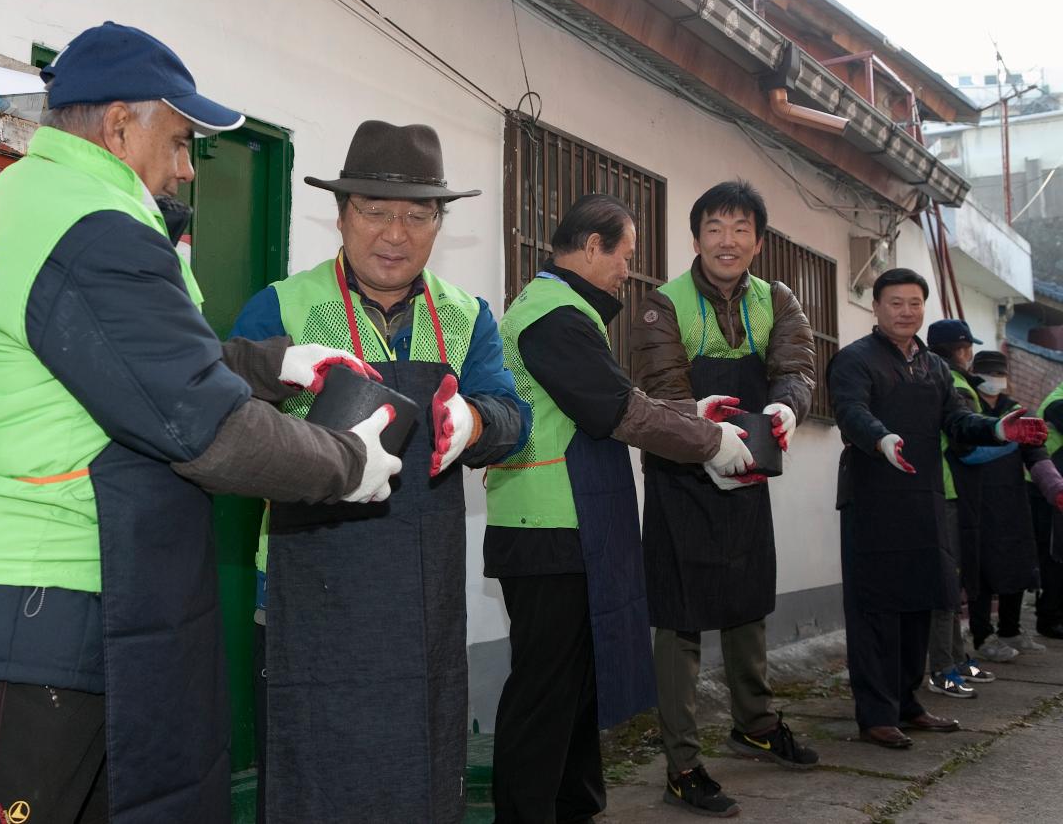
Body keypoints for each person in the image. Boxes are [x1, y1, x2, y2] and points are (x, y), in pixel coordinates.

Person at [0, 23, 403, 824]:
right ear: (120, 124)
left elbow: (145, 363)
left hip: (15, 600)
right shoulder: (95, 230)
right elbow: (207, 428)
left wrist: (272, 365)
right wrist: (348, 463)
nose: (188, 165)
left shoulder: (38, 195)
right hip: (23, 604)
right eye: (182, 138)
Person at [230, 119, 530, 824]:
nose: (394, 232)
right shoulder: (282, 306)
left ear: (438, 224)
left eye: (417, 214)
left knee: (418, 776)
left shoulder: (467, 318)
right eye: (373, 209)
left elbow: (515, 419)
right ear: (340, 215)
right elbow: (225, 418)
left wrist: (476, 424)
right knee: (311, 774)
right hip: (304, 592)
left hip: (419, 599)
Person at [484, 193, 757, 823]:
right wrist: (711, 443)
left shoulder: (568, 313)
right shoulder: (552, 316)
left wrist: (692, 413)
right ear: (591, 247)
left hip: (568, 524)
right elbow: (618, 411)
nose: (627, 272)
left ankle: (573, 806)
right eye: (624, 256)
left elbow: (620, 395)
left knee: (575, 686)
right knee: (545, 692)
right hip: (547, 525)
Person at [632, 180, 819, 817]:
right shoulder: (663, 303)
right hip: (681, 471)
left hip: (750, 469)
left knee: (747, 600)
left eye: (741, 229)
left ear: (758, 242)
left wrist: (788, 409)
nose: (728, 241)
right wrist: (705, 442)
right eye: (715, 227)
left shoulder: (778, 300)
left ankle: (756, 722)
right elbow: (659, 388)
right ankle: (682, 764)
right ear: (695, 238)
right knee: (678, 614)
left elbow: (796, 367)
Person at [827, 268, 1048, 750]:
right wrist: (881, 438)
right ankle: (876, 713)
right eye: (895, 303)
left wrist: (998, 431)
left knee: (918, 604)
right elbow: (850, 411)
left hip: (924, 500)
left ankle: (908, 703)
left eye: (914, 303)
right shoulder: (854, 360)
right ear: (876, 307)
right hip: (873, 501)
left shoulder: (934, 368)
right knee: (877, 611)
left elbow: (957, 421)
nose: (906, 311)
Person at [967, 350, 1063, 659]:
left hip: (1012, 496)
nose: (995, 380)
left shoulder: (1016, 411)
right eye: (989, 373)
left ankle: (1011, 629)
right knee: (981, 570)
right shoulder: (969, 411)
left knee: (1017, 563)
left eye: (999, 373)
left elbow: (1036, 453)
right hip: (978, 496)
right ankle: (983, 636)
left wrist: (1055, 487)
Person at [924, 318, 993, 698]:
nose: (971, 356)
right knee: (946, 583)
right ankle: (944, 668)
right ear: (959, 349)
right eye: (968, 348)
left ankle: (955, 658)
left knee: (951, 582)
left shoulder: (939, 377)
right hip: (946, 490)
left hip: (947, 490)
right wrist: (1005, 439)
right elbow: (965, 443)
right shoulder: (952, 382)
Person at [1032, 379, 1063, 640]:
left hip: (1054, 487)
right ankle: (1049, 617)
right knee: (1054, 554)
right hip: (1047, 490)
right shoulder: (1057, 404)